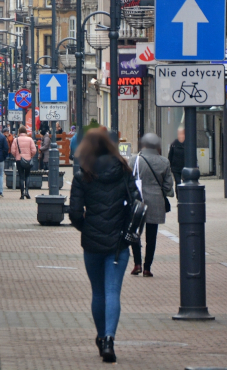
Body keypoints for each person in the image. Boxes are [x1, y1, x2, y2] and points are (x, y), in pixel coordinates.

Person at [69, 128, 134, 363]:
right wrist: (126, 230)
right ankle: (109, 339)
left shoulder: (82, 174)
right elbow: (135, 203)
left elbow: (75, 212)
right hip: (119, 242)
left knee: (98, 292)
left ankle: (100, 336)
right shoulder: (123, 170)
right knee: (112, 291)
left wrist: (85, 227)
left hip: (93, 243)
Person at [130, 134, 175, 277]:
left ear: (143, 145)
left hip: (138, 201)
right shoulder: (164, 162)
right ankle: (147, 267)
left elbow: (127, 180)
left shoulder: (134, 160)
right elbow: (168, 186)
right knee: (152, 236)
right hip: (156, 202)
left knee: (134, 232)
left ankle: (137, 263)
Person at [11, 126, 38, 200]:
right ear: (25, 132)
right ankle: (27, 191)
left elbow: (12, 151)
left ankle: (22, 194)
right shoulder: (30, 139)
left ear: (19, 132)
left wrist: (17, 156)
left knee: (21, 176)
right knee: (27, 175)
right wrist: (30, 156)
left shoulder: (16, 140)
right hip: (28, 159)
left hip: (19, 160)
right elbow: (34, 150)